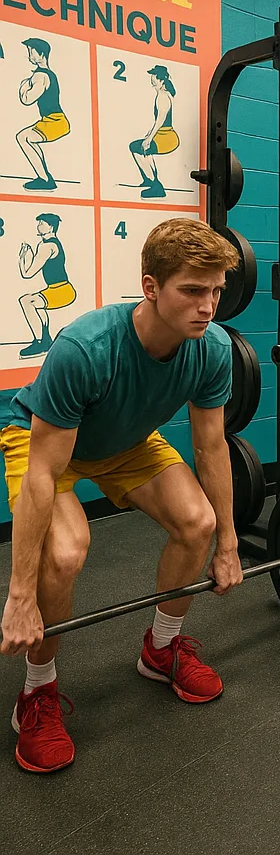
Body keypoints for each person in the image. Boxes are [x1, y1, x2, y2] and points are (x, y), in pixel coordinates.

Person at [0, 218, 243, 773]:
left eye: (215, 291)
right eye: (192, 290)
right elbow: (43, 475)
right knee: (64, 552)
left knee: (197, 523)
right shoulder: (86, 349)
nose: (207, 306)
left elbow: (212, 448)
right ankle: (37, 691)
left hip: (127, 440)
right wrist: (19, 596)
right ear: (152, 287)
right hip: (48, 443)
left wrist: (229, 542)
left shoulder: (213, 349)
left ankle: (162, 647)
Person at [17, 212, 77, 359]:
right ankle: (45, 340)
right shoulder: (46, 244)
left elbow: (27, 273)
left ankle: (40, 342)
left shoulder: (47, 246)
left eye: (41, 223)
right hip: (56, 289)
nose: (38, 226)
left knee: (27, 301)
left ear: (51, 227)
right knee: (35, 303)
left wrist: (23, 257)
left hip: (62, 290)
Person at [16, 38, 69, 192]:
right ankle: (45, 177)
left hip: (55, 122)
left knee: (23, 138)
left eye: (31, 52)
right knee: (26, 138)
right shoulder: (48, 74)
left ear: (41, 54)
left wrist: (23, 86)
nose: (29, 56)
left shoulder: (40, 76)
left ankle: (45, 179)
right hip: (52, 120)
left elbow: (27, 99)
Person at [129, 65, 179, 199]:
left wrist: (149, 138)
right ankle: (149, 179)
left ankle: (156, 186)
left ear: (162, 80)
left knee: (136, 147)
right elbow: (157, 122)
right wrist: (148, 134)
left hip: (166, 137)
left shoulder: (162, 97)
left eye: (154, 80)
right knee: (143, 148)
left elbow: (160, 121)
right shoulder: (163, 94)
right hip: (163, 135)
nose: (152, 82)